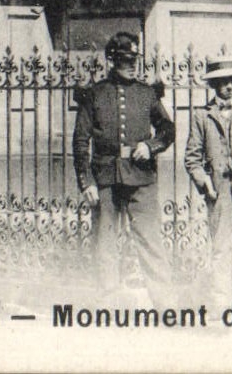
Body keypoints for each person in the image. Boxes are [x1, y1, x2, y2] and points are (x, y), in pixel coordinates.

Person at [73, 30, 175, 299]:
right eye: (123, 60)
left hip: (141, 177)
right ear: (111, 61)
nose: (131, 65)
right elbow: (81, 142)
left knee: (150, 240)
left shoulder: (146, 94)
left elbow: (168, 129)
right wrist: (87, 182)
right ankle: (108, 304)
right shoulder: (93, 95)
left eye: (134, 60)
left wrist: (150, 147)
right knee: (104, 242)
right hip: (105, 178)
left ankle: (166, 306)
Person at [184, 57, 232, 309]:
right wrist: (204, 182)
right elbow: (192, 157)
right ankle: (221, 303)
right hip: (218, 190)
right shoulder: (201, 116)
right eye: (222, 82)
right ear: (214, 85)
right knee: (220, 245)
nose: (228, 87)